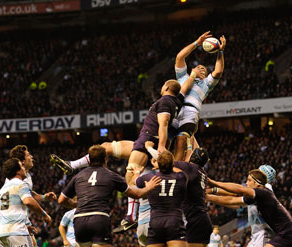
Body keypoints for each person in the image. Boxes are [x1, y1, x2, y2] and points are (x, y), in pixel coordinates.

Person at [51, 73, 198, 232]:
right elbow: (183, 88)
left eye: (163, 86)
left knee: (130, 173)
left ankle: (130, 216)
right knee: (105, 147)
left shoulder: (164, 101)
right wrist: (193, 75)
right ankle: (72, 165)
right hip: (144, 141)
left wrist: (161, 146)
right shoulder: (176, 100)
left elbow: (163, 124)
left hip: (148, 140)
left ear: (166, 88)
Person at [57, 145, 160, 247]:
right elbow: (135, 194)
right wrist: (147, 188)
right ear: (105, 159)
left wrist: (75, 204)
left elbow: (61, 200)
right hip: (100, 218)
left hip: (80, 219)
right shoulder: (112, 175)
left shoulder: (78, 176)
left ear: (88, 159)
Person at [135, 151, 191, 247]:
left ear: (158, 164)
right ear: (172, 164)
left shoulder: (148, 178)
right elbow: (181, 171)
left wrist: (138, 173)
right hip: (174, 220)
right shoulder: (181, 178)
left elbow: (135, 182)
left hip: (156, 221)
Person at [8, 145, 56, 247]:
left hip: (18, 223)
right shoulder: (17, 179)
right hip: (15, 225)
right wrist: (43, 213)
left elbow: (29, 194)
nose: (32, 157)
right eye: (29, 155)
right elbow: (26, 199)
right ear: (21, 161)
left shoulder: (25, 178)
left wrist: (43, 197)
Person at [172, 31, 226, 161]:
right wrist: (197, 43)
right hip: (175, 108)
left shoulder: (206, 84)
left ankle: (175, 169)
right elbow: (180, 57)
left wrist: (220, 52)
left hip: (191, 111)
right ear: (193, 70)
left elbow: (218, 71)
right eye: (199, 67)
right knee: (166, 139)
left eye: (204, 69)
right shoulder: (182, 77)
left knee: (181, 141)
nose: (201, 68)